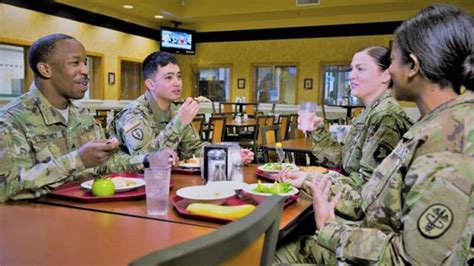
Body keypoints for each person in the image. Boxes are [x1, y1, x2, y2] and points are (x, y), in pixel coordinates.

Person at [275, 4, 474, 264]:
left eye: (391, 60)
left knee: (268, 252)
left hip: (360, 243)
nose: (391, 71)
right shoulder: (440, 123)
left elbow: (413, 259)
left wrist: (331, 229)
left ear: (412, 66)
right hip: (363, 235)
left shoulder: (448, 141)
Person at [0, 34, 172, 203]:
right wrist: (78, 160)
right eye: (75, 63)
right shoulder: (11, 120)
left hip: (90, 213)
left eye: (85, 63)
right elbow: (7, 187)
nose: (85, 71)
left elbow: (107, 163)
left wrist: (148, 160)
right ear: (46, 69)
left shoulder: (82, 115)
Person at [304, 46, 413, 218]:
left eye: (360, 69)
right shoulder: (370, 113)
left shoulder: (385, 116)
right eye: (351, 69)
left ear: (386, 75)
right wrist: (318, 129)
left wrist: (308, 181)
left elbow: (366, 194)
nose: (351, 75)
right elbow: (342, 161)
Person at [110, 51, 254, 163]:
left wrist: (230, 154)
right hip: (134, 186)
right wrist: (179, 122)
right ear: (150, 84)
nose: (177, 83)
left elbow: (193, 148)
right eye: (169, 77)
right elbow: (144, 160)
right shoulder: (133, 114)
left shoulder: (174, 109)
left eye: (179, 76)